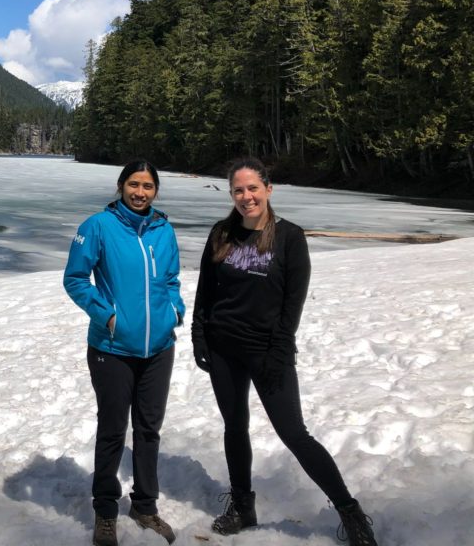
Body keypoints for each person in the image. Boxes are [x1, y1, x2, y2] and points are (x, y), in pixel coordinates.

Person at [191, 157, 379, 546]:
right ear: (231, 194)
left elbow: (293, 303)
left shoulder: (289, 237)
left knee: (294, 433)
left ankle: (351, 513)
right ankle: (243, 506)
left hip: (267, 350)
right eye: (238, 190)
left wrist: (280, 349)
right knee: (234, 426)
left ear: (268, 190)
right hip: (223, 346)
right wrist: (198, 335)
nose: (247, 197)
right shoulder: (221, 233)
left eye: (253, 188)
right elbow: (205, 292)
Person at [64, 160, 184, 546]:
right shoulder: (98, 226)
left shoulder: (163, 230)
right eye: (134, 184)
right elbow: (75, 278)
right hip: (112, 348)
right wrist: (106, 315)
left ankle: (145, 506)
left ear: (156, 191)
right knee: (114, 430)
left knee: (148, 429)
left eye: (148, 186)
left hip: (158, 348)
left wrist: (175, 311)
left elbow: (171, 279)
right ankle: (105, 512)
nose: (140, 192)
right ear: (121, 186)